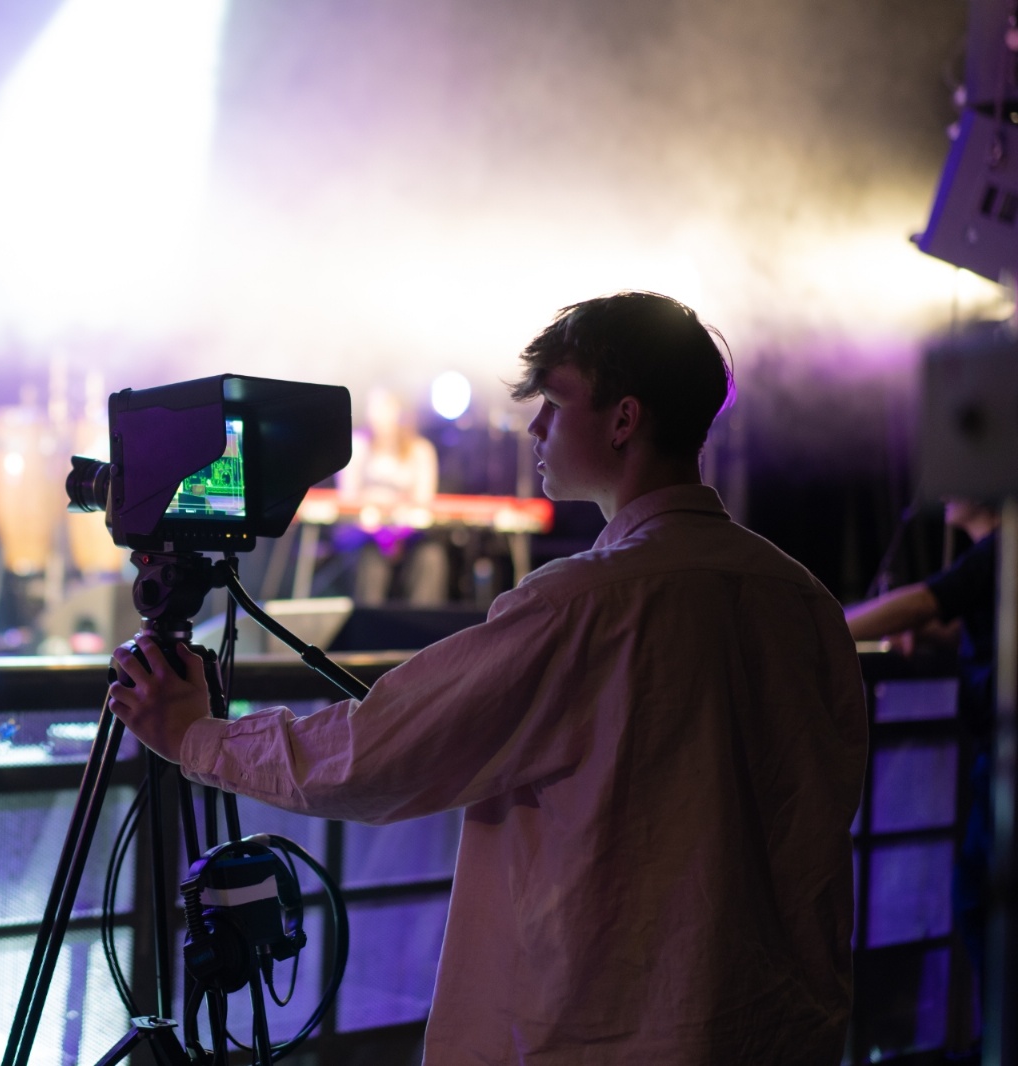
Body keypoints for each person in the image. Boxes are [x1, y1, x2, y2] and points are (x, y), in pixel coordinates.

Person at [108, 291, 868, 1064]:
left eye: (554, 403)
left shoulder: (584, 605)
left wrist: (193, 736)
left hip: (607, 1038)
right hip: (781, 1032)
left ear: (624, 420)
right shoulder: (805, 601)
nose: (535, 428)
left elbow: (375, 756)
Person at [846, 498, 1000, 1004]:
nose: (948, 491)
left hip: (1001, 759)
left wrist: (823, 624)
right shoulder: (994, 559)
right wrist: (924, 629)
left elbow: (925, 600)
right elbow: (964, 620)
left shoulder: (1000, 549)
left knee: (979, 901)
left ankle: (996, 1032)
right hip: (993, 754)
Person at [335, 385, 448, 604]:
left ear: (401, 412)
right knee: (370, 559)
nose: (378, 414)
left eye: (385, 407)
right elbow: (348, 498)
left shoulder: (421, 450)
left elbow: (424, 502)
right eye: (374, 407)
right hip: (362, 533)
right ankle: (369, 623)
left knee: (431, 557)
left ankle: (422, 624)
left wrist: (397, 533)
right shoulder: (356, 445)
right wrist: (380, 532)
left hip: (408, 532)